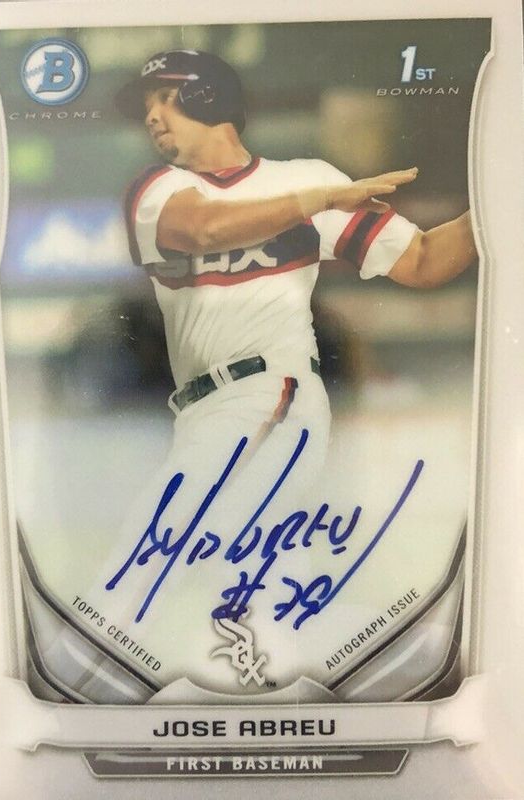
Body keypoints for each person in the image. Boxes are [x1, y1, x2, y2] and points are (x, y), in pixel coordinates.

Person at [91, 48, 477, 695]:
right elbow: (204, 229)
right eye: (146, 105)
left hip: (268, 394)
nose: (151, 116)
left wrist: (499, 198)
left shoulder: (304, 178)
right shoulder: (156, 190)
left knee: (148, 552)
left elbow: (424, 261)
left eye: (164, 97)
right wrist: (316, 201)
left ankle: (84, 689)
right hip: (202, 411)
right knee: (243, 583)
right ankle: (393, 658)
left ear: (208, 96)